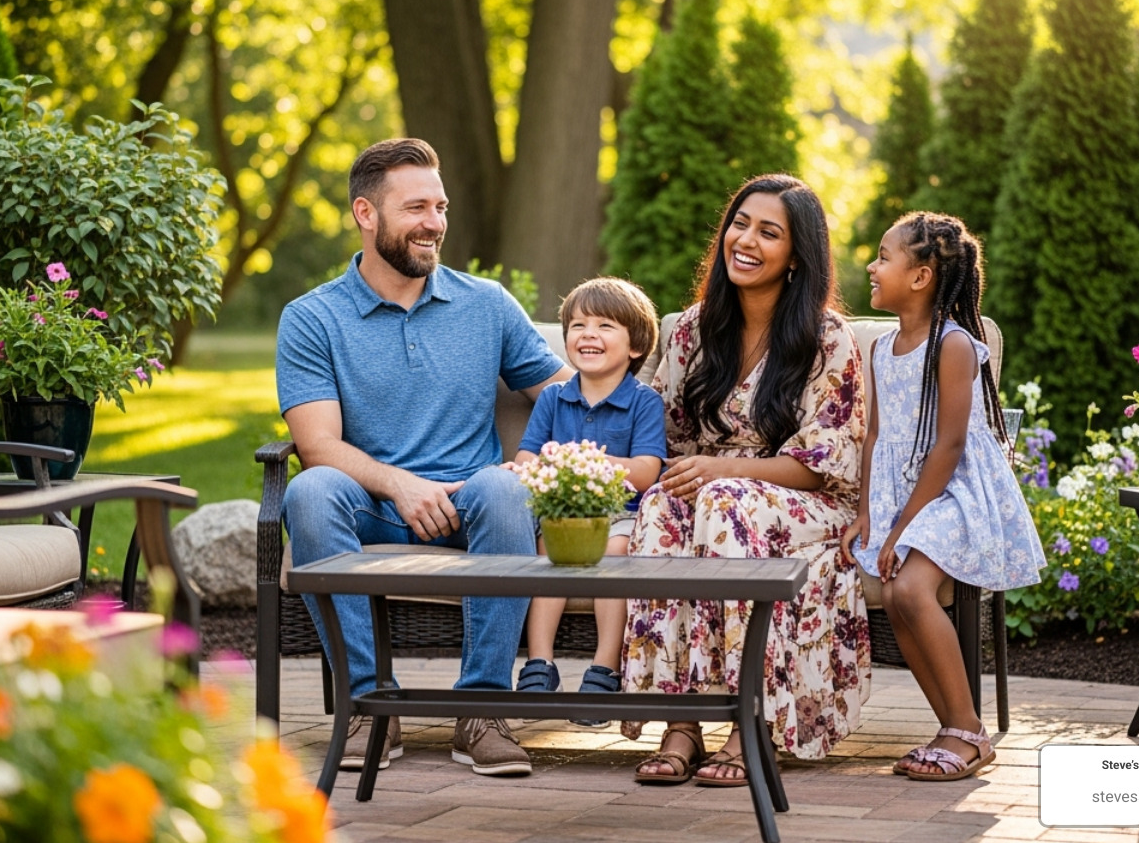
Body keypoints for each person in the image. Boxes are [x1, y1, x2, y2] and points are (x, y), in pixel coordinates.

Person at [276, 137, 569, 777]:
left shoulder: (486, 303)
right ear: (366, 213)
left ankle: (482, 711)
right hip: (372, 508)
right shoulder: (312, 318)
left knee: (507, 489)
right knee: (309, 491)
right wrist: (401, 486)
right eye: (416, 208)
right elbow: (317, 444)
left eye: (439, 206)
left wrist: (529, 459)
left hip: (476, 505)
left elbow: (568, 396)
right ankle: (367, 704)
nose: (434, 223)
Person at [623, 173, 871, 787]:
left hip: (805, 501)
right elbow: (667, 439)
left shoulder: (826, 338)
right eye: (740, 223)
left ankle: (747, 719)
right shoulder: (690, 329)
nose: (747, 240)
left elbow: (822, 464)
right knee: (660, 509)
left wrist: (724, 470)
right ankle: (680, 720)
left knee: (726, 501)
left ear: (796, 255)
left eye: (769, 232)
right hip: (713, 493)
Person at [841, 211, 1045, 781]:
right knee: (896, 593)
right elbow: (877, 435)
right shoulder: (881, 349)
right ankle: (955, 729)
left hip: (955, 494)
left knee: (908, 585)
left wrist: (903, 527)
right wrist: (866, 513)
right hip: (905, 496)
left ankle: (968, 731)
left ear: (922, 275)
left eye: (884, 257)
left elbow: (950, 445)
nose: (872, 266)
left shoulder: (953, 346)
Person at [511, 277, 667, 724]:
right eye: (577, 325)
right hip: (560, 516)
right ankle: (539, 665)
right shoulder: (553, 399)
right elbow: (527, 456)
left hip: (620, 517)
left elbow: (645, 472)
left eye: (604, 326)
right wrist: (529, 467)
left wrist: (584, 461)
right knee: (546, 555)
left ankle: (604, 668)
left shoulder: (644, 402)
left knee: (615, 554)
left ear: (635, 346)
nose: (588, 334)